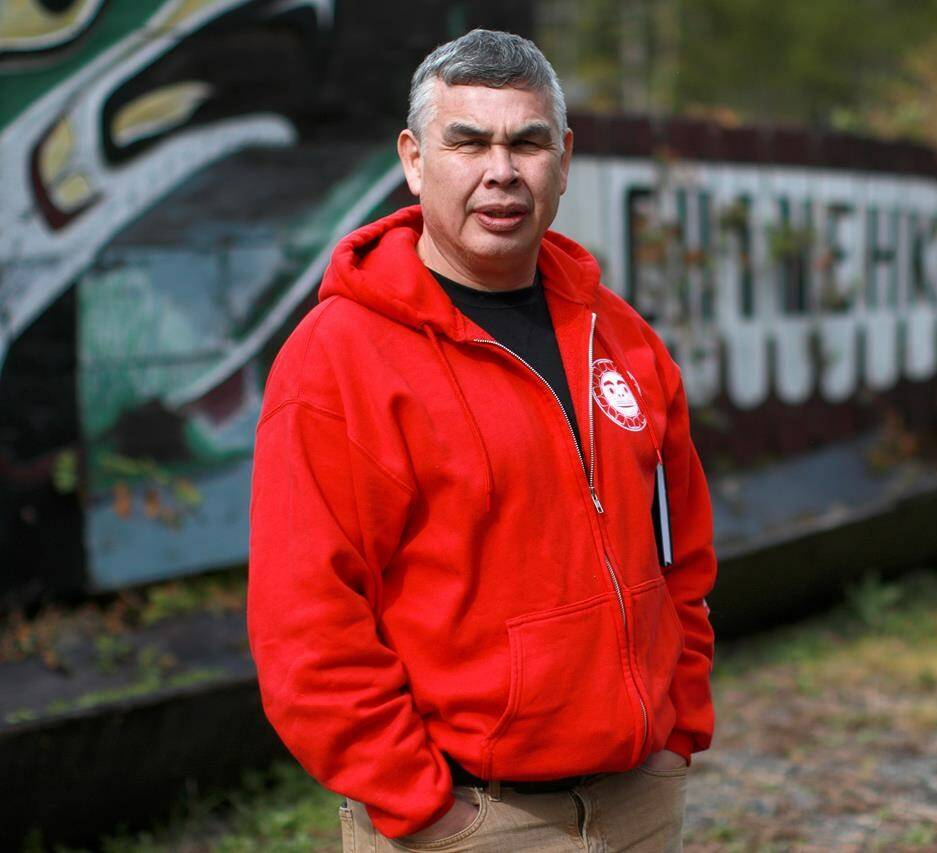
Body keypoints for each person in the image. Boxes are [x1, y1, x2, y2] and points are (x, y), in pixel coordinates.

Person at [247, 28, 717, 851]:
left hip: (638, 800)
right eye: (467, 141)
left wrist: (679, 731)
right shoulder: (339, 359)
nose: (501, 170)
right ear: (414, 159)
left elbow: (682, 557)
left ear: (563, 160)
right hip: (470, 819)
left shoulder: (625, 340)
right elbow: (306, 624)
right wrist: (426, 808)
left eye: (527, 142)